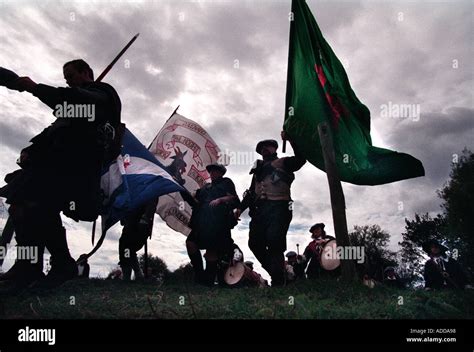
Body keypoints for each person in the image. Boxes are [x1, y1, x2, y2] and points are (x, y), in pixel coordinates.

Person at [0, 60, 122, 291]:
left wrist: (34, 87)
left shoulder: (102, 94)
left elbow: (77, 102)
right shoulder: (70, 111)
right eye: (65, 77)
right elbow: (57, 126)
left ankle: (57, 264)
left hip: (74, 166)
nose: (67, 80)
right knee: (20, 206)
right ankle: (28, 266)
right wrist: (30, 150)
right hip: (50, 163)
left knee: (38, 205)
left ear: (86, 72)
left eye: (71, 75)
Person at [235, 131, 306, 286]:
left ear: (275, 148)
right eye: (262, 148)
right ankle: (280, 274)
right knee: (254, 243)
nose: (264, 149)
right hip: (260, 210)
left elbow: (301, 160)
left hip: (279, 207)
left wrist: (292, 139)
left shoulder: (284, 162)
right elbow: (250, 192)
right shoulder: (257, 171)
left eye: (268, 146)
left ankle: (279, 280)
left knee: (275, 242)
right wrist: (240, 208)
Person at [182, 163, 240, 286]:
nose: (212, 173)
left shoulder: (226, 183)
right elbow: (194, 202)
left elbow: (235, 199)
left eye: (215, 171)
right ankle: (199, 274)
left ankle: (208, 282)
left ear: (221, 173)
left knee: (211, 251)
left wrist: (221, 200)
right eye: (211, 171)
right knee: (190, 243)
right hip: (201, 221)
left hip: (218, 222)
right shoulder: (205, 187)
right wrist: (180, 188)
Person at [119, 198, 158, 281]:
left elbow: (151, 206)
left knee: (129, 248)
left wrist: (145, 218)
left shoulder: (151, 191)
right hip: (130, 225)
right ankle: (133, 273)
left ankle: (135, 273)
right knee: (126, 248)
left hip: (141, 226)